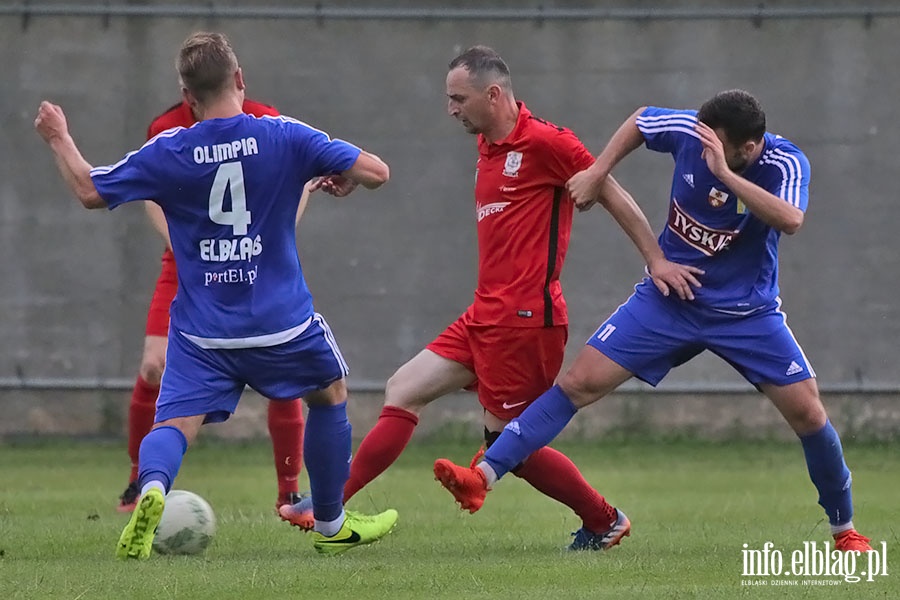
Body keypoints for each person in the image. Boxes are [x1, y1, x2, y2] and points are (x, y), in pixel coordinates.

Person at [281, 45, 699, 550]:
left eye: (459, 98)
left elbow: (611, 193)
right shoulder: (488, 146)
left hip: (526, 320)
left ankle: (604, 519)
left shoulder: (549, 143)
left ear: (493, 94)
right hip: (485, 313)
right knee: (404, 388)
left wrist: (655, 260)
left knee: (508, 448)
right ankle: (327, 506)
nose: (451, 109)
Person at [432, 89, 873, 553]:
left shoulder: (785, 163)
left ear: (748, 148)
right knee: (579, 383)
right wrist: (599, 170)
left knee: (809, 413)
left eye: (718, 150)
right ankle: (481, 475)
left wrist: (724, 174)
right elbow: (641, 120)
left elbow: (791, 219)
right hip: (668, 299)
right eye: (704, 145)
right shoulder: (692, 131)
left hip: (746, 314)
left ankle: (844, 531)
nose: (705, 153)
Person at [35, 31, 397, 559]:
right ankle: (330, 523)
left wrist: (58, 137)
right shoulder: (282, 135)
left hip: (204, 330)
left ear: (187, 96)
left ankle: (153, 487)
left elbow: (91, 190)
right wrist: (344, 177)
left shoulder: (170, 149)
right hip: (281, 324)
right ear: (241, 80)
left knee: (176, 422)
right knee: (329, 391)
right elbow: (377, 172)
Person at [118, 99, 310, 529]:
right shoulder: (167, 126)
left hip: (254, 262)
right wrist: (186, 246)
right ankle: (139, 482)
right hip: (186, 265)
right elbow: (152, 196)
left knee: (283, 372)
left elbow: (296, 186)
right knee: (153, 365)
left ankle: (288, 491)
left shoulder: (267, 120)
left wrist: (277, 231)